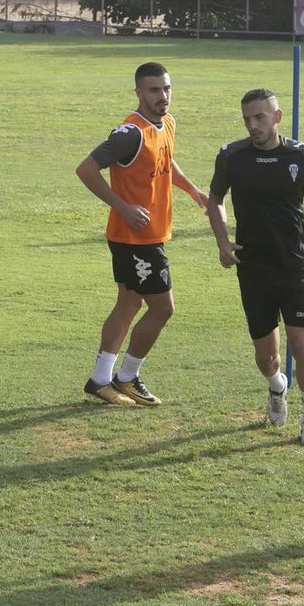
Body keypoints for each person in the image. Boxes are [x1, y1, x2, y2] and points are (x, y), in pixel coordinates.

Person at [205, 88, 304, 444]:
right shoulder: (231, 156)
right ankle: (277, 385)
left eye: (260, 118)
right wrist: (222, 241)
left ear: (277, 117)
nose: (253, 125)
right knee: (267, 357)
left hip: (293, 264)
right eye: (247, 119)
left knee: (301, 342)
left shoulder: (301, 154)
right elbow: (216, 199)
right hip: (252, 267)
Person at [76, 62, 208, 407]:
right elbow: (86, 169)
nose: (162, 96)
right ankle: (127, 376)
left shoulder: (166, 124)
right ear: (138, 92)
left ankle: (100, 380)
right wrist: (122, 206)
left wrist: (192, 190)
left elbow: (166, 162)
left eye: (166, 88)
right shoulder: (130, 133)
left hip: (151, 234)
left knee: (129, 303)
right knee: (163, 308)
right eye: (154, 90)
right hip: (135, 239)